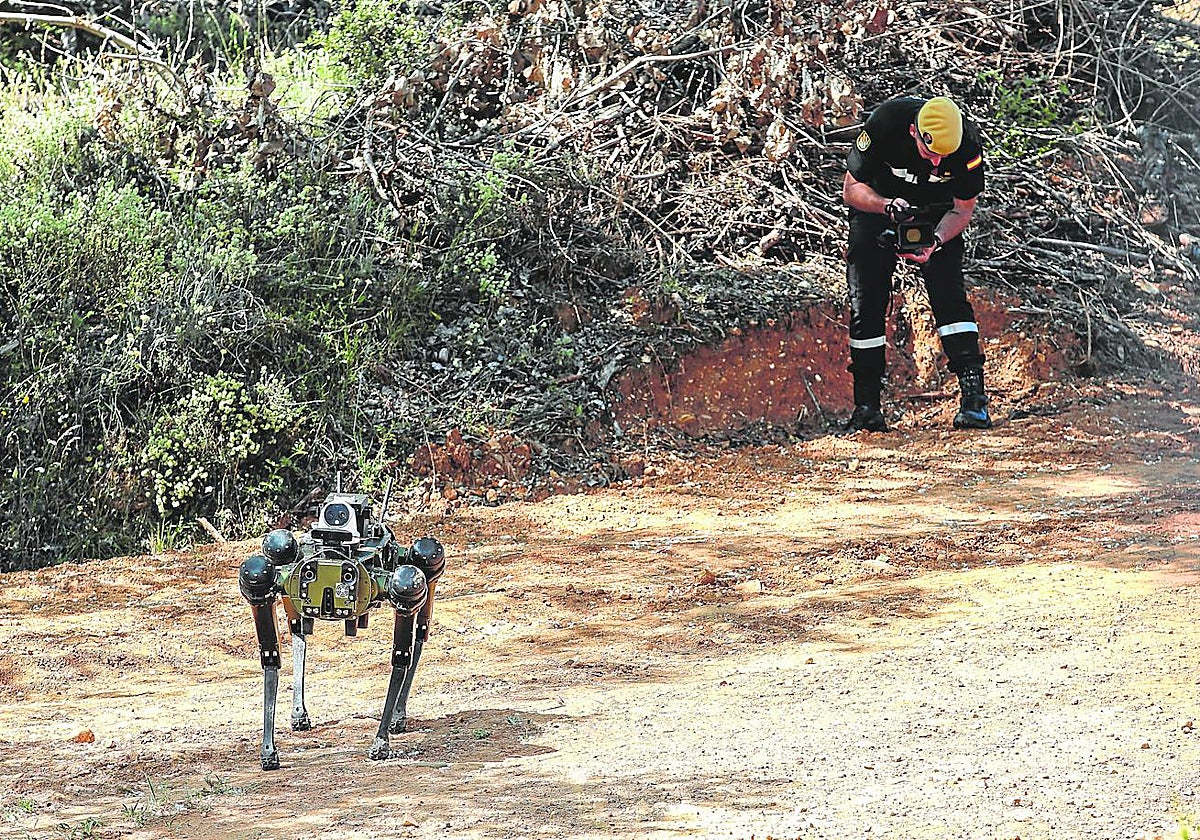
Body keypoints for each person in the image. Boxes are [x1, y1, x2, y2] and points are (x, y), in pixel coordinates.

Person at [841, 95, 992, 432]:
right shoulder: (886, 123)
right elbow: (851, 189)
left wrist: (936, 241)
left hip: (938, 214)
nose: (938, 163)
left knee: (948, 293)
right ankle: (866, 407)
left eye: (945, 157)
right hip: (878, 205)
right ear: (913, 131)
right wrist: (885, 207)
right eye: (930, 153)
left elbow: (962, 209)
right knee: (866, 301)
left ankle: (974, 400)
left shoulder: (967, 145)